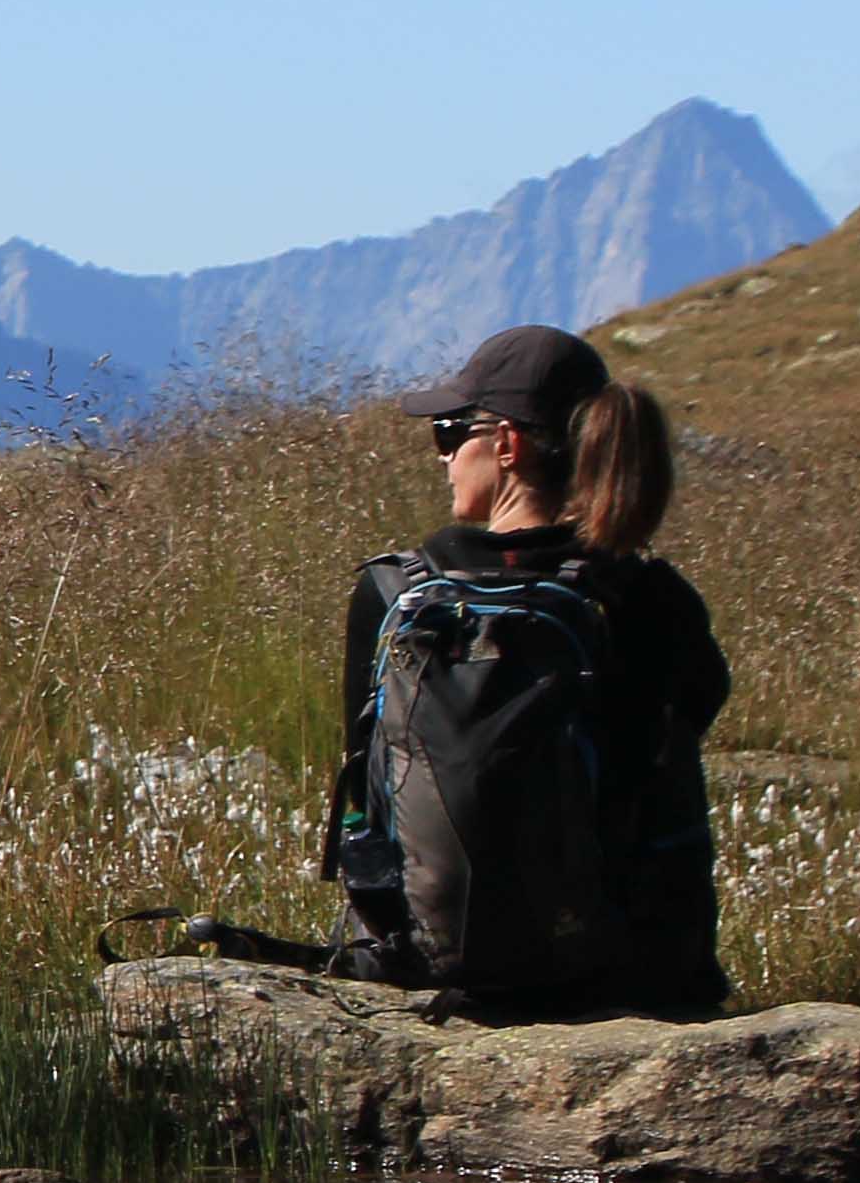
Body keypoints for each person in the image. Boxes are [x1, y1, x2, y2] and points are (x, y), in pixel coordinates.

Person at [305, 323, 731, 1021]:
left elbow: (364, 788)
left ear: (506, 444)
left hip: (417, 969)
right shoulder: (648, 596)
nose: (443, 457)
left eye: (449, 433)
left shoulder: (388, 592)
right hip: (624, 980)